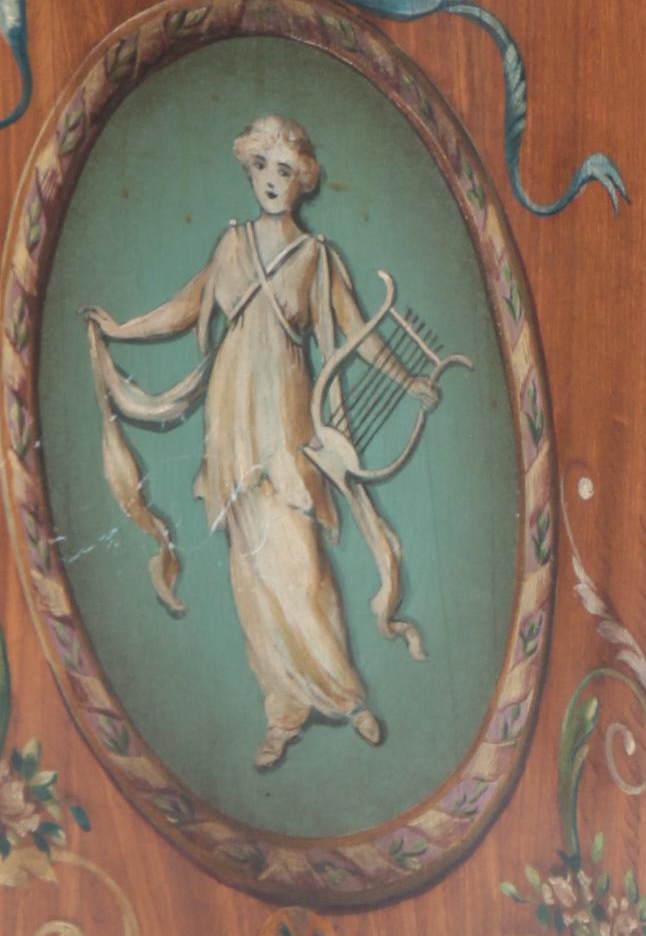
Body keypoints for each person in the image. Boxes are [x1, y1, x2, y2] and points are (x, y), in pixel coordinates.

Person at [86, 113, 434, 770]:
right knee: (249, 573)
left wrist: (408, 378)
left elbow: (357, 334)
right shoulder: (231, 246)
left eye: (284, 170)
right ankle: (283, 709)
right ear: (249, 171)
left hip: (287, 422)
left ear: (302, 180)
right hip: (231, 418)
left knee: (301, 564)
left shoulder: (315, 257)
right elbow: (188, 307)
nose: (272, 181)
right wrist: (123, 330)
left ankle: (347, 693)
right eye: (262, 167)